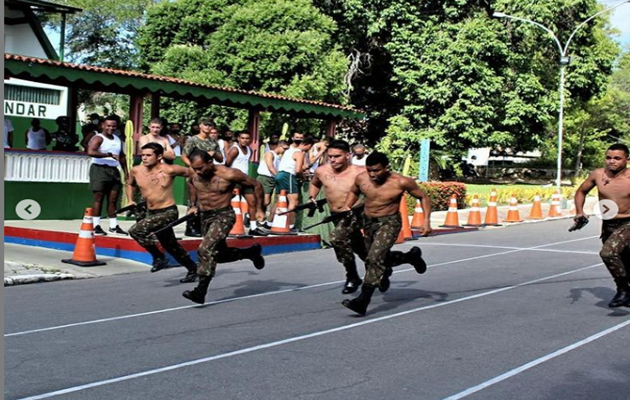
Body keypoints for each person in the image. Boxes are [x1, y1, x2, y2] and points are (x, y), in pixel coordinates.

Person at [309, 140, 428, 294]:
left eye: (337, 156)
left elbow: (380, 187)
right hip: (337, 215)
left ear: (347, 155)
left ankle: (352, 276)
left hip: (357, 214)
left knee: (337, 238)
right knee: (368, 253)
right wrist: (312, 196)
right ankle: (407, 258)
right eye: (330, 156)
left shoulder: (360, 172)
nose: (332, 160)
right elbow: (315, 183)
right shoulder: (321, 171)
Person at [340, 151, 432, 316]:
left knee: (375, 258)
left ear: (386, 168)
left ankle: (362, 300)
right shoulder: (362, 178)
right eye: (370, 170)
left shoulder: (401, 181)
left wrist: (426, 221)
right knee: (373, 258)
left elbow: (423, 197)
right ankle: (411, 257)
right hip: (368, 222)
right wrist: (348, 206)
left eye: (376, 170)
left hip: (389, 222)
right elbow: (354, 191)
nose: (372, 174)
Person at [182, 149, 267, 304]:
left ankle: (200, 291)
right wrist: (192, 205)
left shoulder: (229, 174)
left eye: (201, 168)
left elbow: (256, 185)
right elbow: (191, 184)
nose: (198, 171)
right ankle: (250, 252)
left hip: (223, 215)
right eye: (195, 168)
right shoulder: (194, 173)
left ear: (210, 162)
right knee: (219, 255)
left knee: (205, 249)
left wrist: (260, 209)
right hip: (205, 217)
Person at [126, 142, 199, 282]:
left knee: (136, 230)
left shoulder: (170, 169)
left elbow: (195, 175)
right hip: (152, 212)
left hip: (168, 212)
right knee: (170, 245)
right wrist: (130, 200)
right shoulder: (136, 170)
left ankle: (159, 257)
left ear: (159, 156)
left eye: (148, 155)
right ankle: (192, 269)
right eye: (143, 155)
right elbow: (129, 183)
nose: (144, 158)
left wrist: (193, 204)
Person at [574, 143, 630, 308]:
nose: (612, 161)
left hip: (628, 222)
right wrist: (579, 212)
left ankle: (624, 290)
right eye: (608, 157)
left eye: (617, 158)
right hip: (608, 223)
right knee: (624, 258)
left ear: (627, 160)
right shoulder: (598, 175)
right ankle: (625, 290)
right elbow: (580, 192)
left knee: (608, 253)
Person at [87, 115, 129, 235]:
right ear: (103, 126)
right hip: (99, 169)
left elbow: (121, 156)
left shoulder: (117, 139)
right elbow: (91, 152)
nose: (111, 128)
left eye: (113, 126)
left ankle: (113, 226)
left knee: (113, 199)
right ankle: (96, 226)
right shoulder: (98, 138)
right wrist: (107, 155)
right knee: (98, 198)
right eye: (108, 126)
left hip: (113, 170)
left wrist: (126, 172)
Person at [226, 130, 269, 236]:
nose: (245, 140)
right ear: (238, 139)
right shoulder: (235, 150)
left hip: (244, 180)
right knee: (230, 204)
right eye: (242, 138)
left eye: (247, 138)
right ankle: (229, 227)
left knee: (252, 202)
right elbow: (226, 164)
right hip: (234, 180)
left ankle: (253, 227)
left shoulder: (249, 150)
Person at [275, 133, 315, 231]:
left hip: (279, 174)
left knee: (281, 200)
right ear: (308, 145)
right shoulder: (299, 153)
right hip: (289, 176)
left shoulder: (289, 151)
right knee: (294, 201)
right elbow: (298, 170)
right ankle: (290, 226)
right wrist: (302, 177)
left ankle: (274, 223)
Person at [257, 139, 289, 218]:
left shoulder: (278, 157)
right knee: (265, 200)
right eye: (284, 149)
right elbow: (270, 167)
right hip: (265, 178)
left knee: (266, 201)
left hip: (271, 179)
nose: (284, 151)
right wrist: (279, 177)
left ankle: (260, 217)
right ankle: (252, 213)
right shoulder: (270, 153)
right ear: (279, 146)